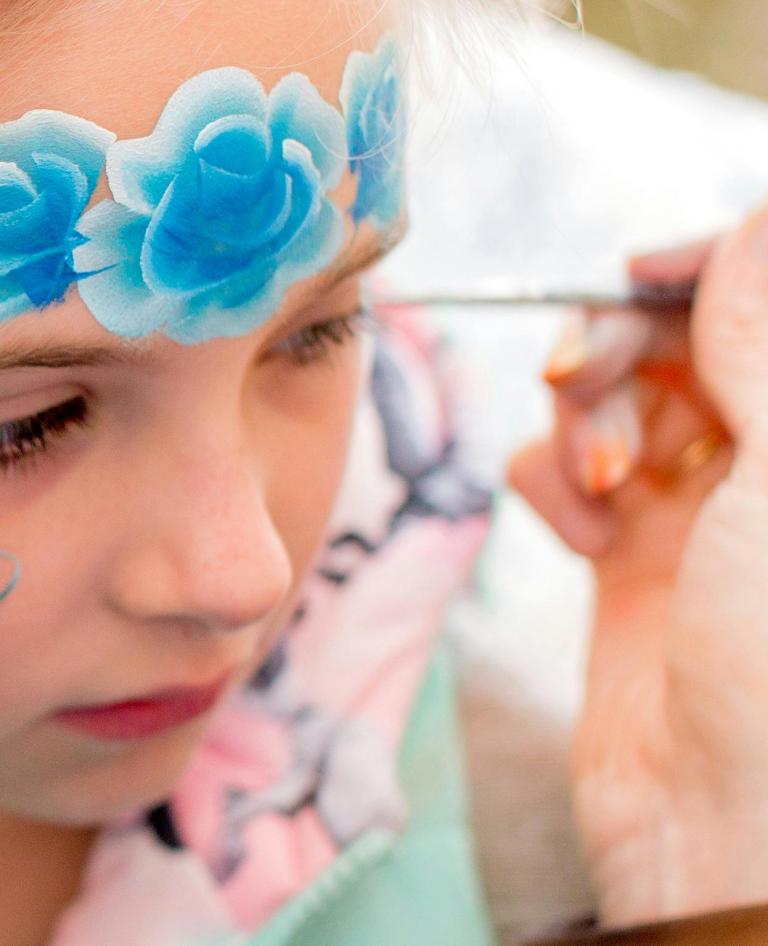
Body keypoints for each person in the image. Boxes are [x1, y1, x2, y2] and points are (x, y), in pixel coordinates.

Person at [1, 1, 768, 944]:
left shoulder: (402, 655)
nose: (246, 576)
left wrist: (703, 865)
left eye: (322, 331)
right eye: (28, 428)